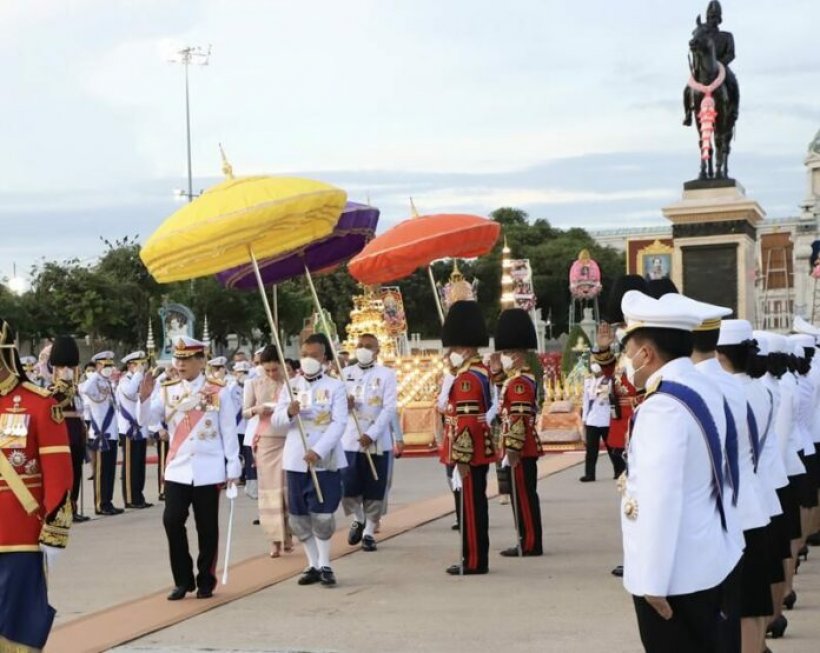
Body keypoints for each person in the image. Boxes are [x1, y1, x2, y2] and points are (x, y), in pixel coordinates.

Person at [618, 291, 742, 652]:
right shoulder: (702, 385)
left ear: (647, 353)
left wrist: (652, 581)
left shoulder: (663, 408)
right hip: (710, 554)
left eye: (629, 352)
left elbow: (661, 499)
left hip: (676, 576)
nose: (627, 362)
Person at [689, 303, 773, 653]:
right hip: (754, 505)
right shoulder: (746, 385)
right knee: (749, 606)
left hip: (724, 516)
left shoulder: (702, 386)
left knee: (723, 620)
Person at [137, 337, 241, 601]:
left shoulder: (219, 390)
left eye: (186, 359)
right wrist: (144, 398)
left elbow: (228, 430)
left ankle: (206, 578)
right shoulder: (167, 389)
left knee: (206, 527)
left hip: (209, 467)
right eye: (178, 359)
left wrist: (233, 465)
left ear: (200, 361)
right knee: (172, 521)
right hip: (178, 467)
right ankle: (182, 580)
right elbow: (146, 420)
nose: (180, 364)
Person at [0, 317, 73, 651]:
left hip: (19, 536)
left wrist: (55, 531)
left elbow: (58, 472)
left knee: (16, 625)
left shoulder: (39, 403)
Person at [273, 334, 347, 587]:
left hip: (324, 459)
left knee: (323, 512)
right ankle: (313, 563)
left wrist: (319, 450)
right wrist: (288, 412)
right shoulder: (290, 386)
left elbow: (339, 423)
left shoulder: (335, 386)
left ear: (324, 358)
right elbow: (277, 422)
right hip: (296, 458)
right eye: (305, 355)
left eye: (314, 355)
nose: (309, 360)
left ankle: (326, 563)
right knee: (299, 514)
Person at [592, 274, 649, 577]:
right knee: (627, 496)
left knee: (638, 499)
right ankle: (633, 553)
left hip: (636, 430)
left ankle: (639, 555)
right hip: (620, 431)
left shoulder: (642, 346)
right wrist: (604, 348)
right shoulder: (627, 347)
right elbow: (611, 373)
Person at [439, 300, 495, 575]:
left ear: (467, 348)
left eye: (454, 348)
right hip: (473, 449)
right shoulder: (473, 372)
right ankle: (472, 556)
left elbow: (468, 420)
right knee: (471, 506)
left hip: (468, 452)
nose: (450, 354)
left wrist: (460, 457)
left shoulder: (468, 378)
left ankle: (473, 560)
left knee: (471, 508)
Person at [341, 333, 398, 552]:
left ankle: (369, 531)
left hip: (376, 439)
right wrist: (344, 405)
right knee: (349, 485)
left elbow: (389, 408)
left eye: (368, 346)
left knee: (375, 486)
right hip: (350, 438)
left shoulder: (386, 375)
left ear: (377, 350)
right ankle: (358, 517)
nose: (363, 349)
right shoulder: (345, 374)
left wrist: (372, 434)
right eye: (360, 345)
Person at [494, 308, 543, 557]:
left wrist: (512, 448)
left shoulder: (521, 382)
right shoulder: (516, 379)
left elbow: (519, 417)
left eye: (507, 353)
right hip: (519, 446)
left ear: (519, 355)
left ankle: (530, 541)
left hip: (521, 448)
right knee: (519, 493)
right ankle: (526, 538)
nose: (504, 357)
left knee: (523, 494)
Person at [244, 346, 292, 557]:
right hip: (265, 441)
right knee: (270, 492)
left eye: (275, 369)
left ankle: (288, 534)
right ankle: (274, 540)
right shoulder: (253, 384)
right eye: (268, 370)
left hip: (288, 440)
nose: (272, 374)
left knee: (287, 490)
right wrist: (257, 409)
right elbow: (245, 412)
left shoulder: (291, 384)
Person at [47, 336, 90, 523]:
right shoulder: (53, 390)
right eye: (63, 368)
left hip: (76, 435)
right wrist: (64, 385)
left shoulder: (75, 389)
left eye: (70, 368)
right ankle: (62, 510)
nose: (67, 371)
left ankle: (73, 507)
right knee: (65, 476)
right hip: (63, 435)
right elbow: (59, 403)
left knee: (76, 474)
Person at [80, 351, 123, 516]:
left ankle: (108, 501)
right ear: (98, 365)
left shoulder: (107, 383)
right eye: (106, 365)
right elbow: (85, 389)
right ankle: (100, 504)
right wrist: (96, 374)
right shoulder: (95, 381)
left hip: (111, 432)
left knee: (110, 470)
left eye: (110, 365)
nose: (109, 368)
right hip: (100, 433)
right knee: (101, 471)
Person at [117, 351, 152, 510]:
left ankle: (139, 496)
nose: (142, 367)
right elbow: (131, 393)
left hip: (141, 428)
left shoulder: (140, 380)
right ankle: (130, 498)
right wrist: (138, 375)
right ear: (130, 365)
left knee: (139, 464)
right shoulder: (125, 381)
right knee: (130, 465)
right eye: (139, 364)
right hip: (130, 428)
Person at [580, 362, 613, 482]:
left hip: (606, 418)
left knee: (612, 447)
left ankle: (619, 470)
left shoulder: (609, 380)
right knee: (591, 449)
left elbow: (607, 397)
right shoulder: (588, 381)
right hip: (592, 419)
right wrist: (584, 419)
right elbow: (586, 401)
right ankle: (589, 474)